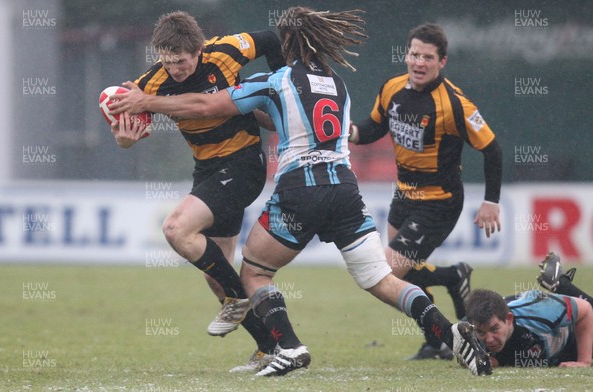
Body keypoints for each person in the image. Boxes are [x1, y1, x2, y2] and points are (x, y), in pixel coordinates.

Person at [109, 7, 492, 377]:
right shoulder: (337, 84)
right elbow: (278, 117)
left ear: (288, 40)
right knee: (382, 280)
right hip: (345, 191)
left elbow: (210, 103)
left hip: (300, 192)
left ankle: (288, 345)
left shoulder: (274, 81)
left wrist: (145, 102)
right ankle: (451, 331)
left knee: (255, 273)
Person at [108, 11, 286, 372]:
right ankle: (271, 348)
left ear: (199, 50)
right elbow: (127, 135)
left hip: (244, 163)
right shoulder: (150, 83)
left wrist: (285, 85)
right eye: (167, 61)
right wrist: (124, 140)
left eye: (182, 61)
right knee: (214, 276)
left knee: (176, 228)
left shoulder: (226, 50)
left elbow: (271, 38)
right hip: (207, 170)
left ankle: (238, 298)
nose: (175, 69)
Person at [348, 23, 503, 360]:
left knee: (385, 273)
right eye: (414, 54)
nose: (419, 63)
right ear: (406, 54)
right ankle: (436, 341)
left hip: (439, 203)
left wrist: (491, 202)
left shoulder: (455, 104)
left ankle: (450, 278)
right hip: (403, 196)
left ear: (441, 62)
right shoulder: (392, 88)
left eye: (427, 57)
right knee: (397, 277)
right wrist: (349, 132)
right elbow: (375, 126)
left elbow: (492, 150)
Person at [465, 287, 593, 368]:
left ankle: (562, 283)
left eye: (494, 329)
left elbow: (586, 310)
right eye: (481, 332)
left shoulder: (539, 310)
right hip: (556, 356)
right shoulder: (469, 330)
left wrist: (583, 361)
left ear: (509, 319)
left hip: (575, 338)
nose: (489, 340)